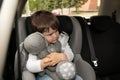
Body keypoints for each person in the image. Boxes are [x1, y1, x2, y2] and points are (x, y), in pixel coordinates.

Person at [26, 10, 83, 80]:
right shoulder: (36, 46)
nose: (56, 35)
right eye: (50, 34)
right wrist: (43, 62)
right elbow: (30, 66)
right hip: (45, 76)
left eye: (56, 31)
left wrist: (61, 57)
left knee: (78, 78)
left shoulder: (61, 40)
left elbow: (71, 55)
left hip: (64, 73)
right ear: (39, 36)